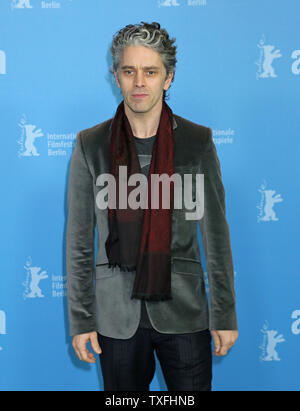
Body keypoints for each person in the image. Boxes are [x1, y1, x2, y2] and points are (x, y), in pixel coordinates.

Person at [66, 21, 238, 391]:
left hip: (185, 313)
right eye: (129, 71)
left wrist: (223, 313)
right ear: (116, 76)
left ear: (168, 78)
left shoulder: (197, 142)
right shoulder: (91, 144)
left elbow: (216, 237)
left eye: (150, 71)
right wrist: (81, 321)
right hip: (117, 319)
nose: (139, 82)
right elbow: (79, 242)